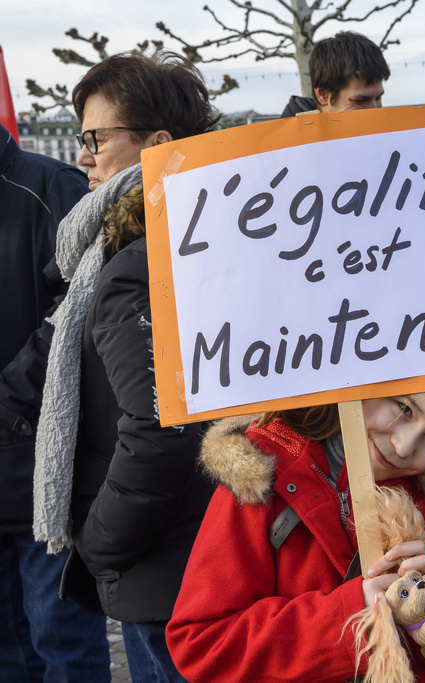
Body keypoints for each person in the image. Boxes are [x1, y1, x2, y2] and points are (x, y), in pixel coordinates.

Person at [32, 51, 219, 682]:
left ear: (158, 145)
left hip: (164, 565)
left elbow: (160, 421)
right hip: (208, 547)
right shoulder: (215, 236)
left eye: (97, 138)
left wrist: (102, 542)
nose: (83, 155)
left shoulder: (135, 261)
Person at [165, 386, 425, 682]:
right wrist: (352, 616)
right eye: (404, 407)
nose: (403, 446)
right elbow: (201, 645)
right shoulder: (260, 476)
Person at [0, 123, 111, 681]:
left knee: (60, 641)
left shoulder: (50, 186)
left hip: (43, 472)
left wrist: (11, 397)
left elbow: (80, 308)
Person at [281, 30, 390, 117]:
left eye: (378, 99)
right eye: (360, 101)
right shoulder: (284, 143)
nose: (375, 110)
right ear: (323, 95)